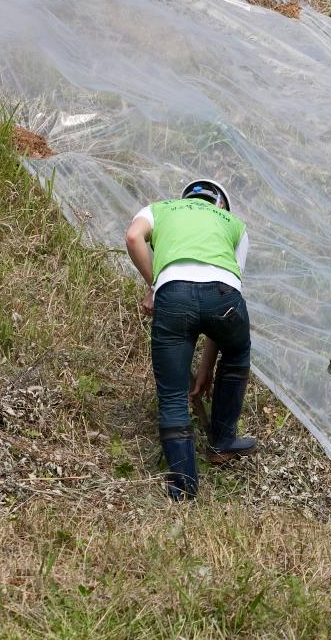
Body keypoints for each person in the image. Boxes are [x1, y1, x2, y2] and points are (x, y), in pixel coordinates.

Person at [124, 179, 256, 501]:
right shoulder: (235, 224)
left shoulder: (159, 209)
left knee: (171, 396)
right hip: (223, 298)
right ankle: (222, 442)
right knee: (237, 350)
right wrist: (207, 368)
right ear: (220, 204)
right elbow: (228, 286)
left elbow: (132, 237)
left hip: (174, 296)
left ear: (185, 198)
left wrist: (155, 285)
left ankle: (183, 487)